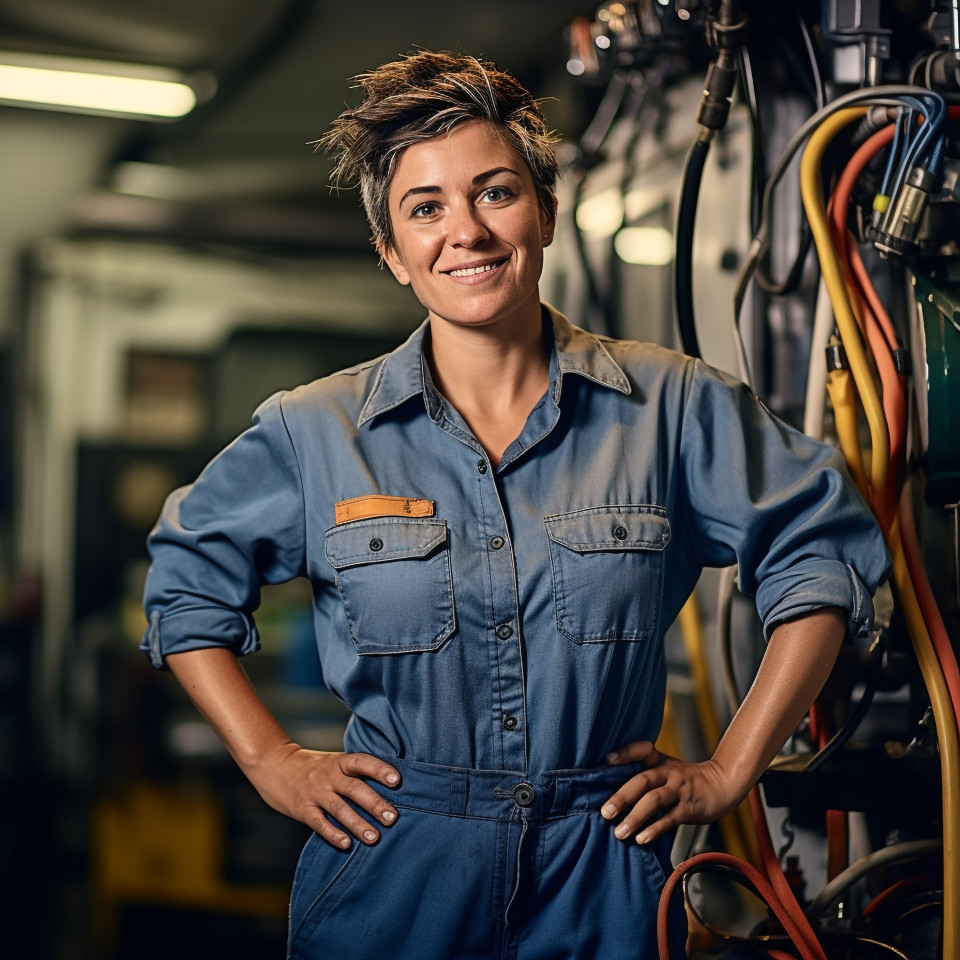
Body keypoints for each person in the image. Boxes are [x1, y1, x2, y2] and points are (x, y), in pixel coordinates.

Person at [141, 51, 891, 960]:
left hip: (604, 867)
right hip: (395, 864)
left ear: (544, 211)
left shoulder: (673, 407)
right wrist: (272, 761)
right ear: (392, 254)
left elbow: (821, 546)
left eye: (494, 192)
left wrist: (732, 770)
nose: (466, 231)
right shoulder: (315, 432)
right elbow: (187, 584)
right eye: (425, 209)